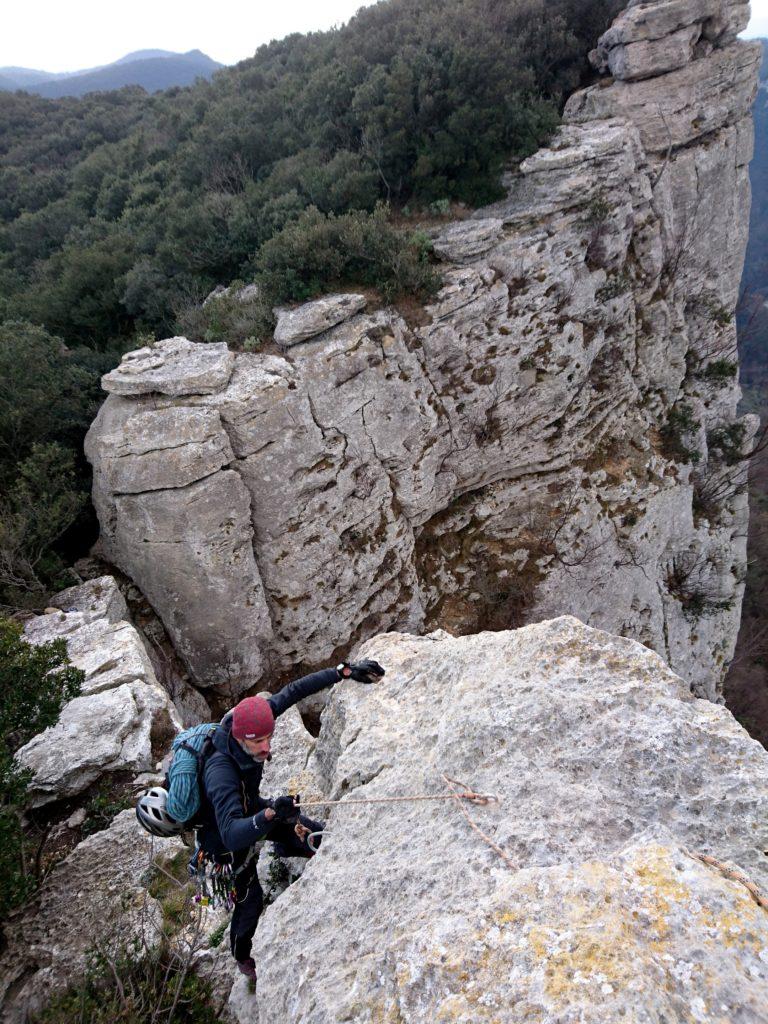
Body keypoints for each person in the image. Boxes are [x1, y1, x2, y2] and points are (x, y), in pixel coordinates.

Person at [197, 658, 385, 981]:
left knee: (307, 831)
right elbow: (230, 833)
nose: (266, 748)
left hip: (250, 808)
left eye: (268, 739)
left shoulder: (252, 720)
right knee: (249, 898)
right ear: (241, 739)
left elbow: (294, 690)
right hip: (224, 840)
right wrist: (269, 814)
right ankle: (243, 957)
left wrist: (342, 672)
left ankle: (295, 849)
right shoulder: (220, 774)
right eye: (258, 743)